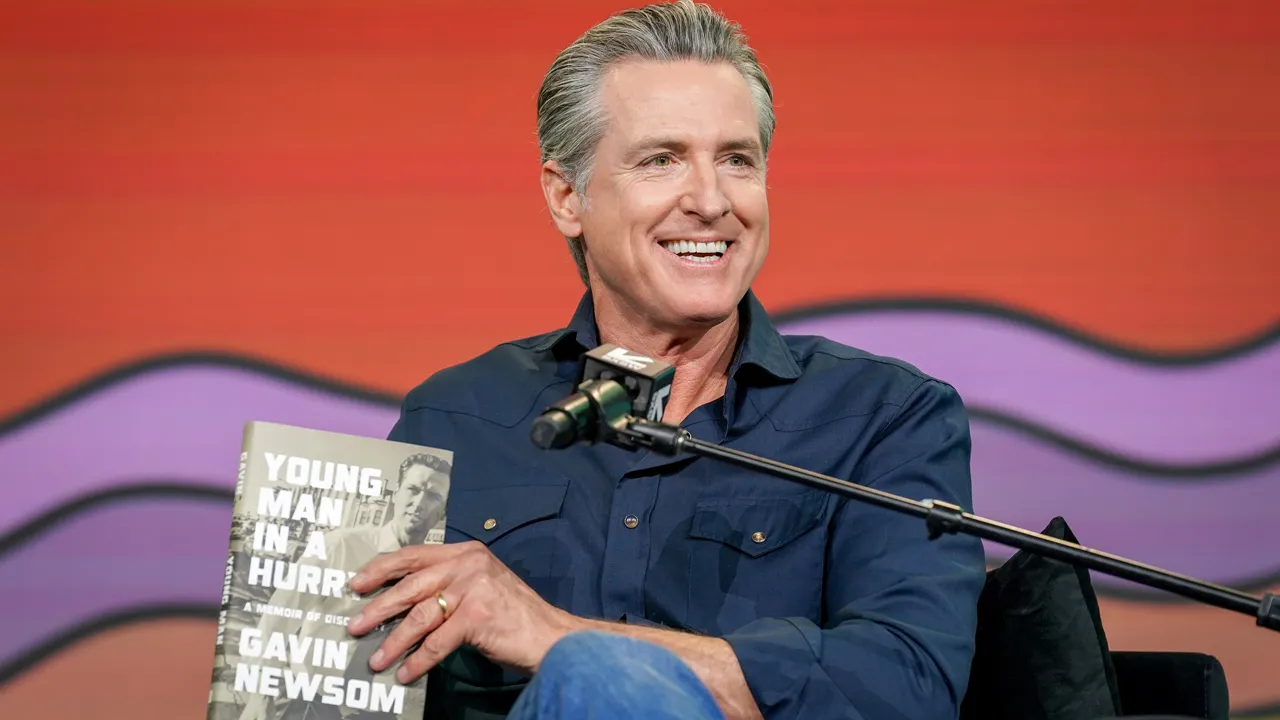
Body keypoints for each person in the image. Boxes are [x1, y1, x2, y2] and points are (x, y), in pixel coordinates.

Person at [347, 1, 986, 718]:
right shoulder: (455, 417)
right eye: (661, 160)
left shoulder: (884, 418)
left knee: (587, 673)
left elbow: (905, 688)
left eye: (737, 160)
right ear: (567, 197)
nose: (711, 201)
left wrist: (553, 635)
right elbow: (340, 680)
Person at [235, 453, 451, 720]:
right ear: (396, 492)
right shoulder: (339, 545)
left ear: (443, 511)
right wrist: (260, 695)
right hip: (312, 702)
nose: (419, 503)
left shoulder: (435, 573)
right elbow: (278, 616)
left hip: (377, 710)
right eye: (413, 489)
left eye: (433, 496)